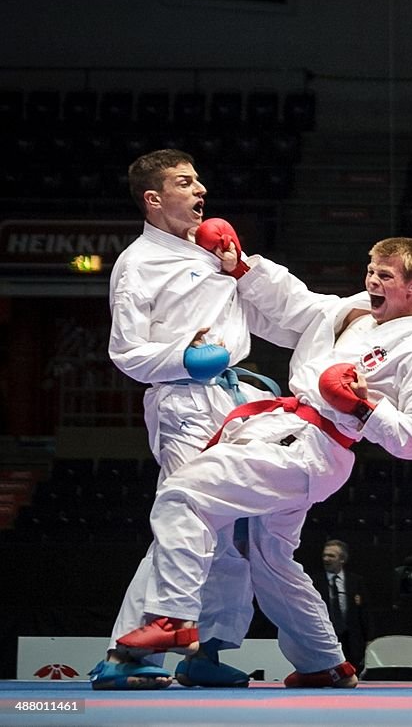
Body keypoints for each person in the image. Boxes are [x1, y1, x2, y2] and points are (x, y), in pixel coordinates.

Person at [115, 235, 412, 688]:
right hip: (288, 434)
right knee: (270, 556)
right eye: (371, 270)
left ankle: (173, 616)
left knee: (182, 494)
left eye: (385, 276)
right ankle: (325, 662)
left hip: (313, 448)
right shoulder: (357, 311)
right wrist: (243, 268)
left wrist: (365, 409)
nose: (372, 280)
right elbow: (296, 302)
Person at [92, 149, 286, 691]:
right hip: (184, 400)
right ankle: (127, 654)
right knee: (188, 524)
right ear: (154, 199)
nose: (200, 189)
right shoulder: (137, 265)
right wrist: (184, 356)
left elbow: (267, 313)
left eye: (199, 179)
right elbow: (127, 352)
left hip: (236, 400)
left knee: (241, 527)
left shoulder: (211, 251)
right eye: (185, 182)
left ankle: (212, 647)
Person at [313, 540, 372, 674]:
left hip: (351, 638)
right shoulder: (313, 582)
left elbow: (364, 611)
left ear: (342, 559)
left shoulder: (356, 581)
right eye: (324, 555)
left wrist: (369, 637)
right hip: (325, 637)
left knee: (352, 674)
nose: (326, 559)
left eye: (331, 556)